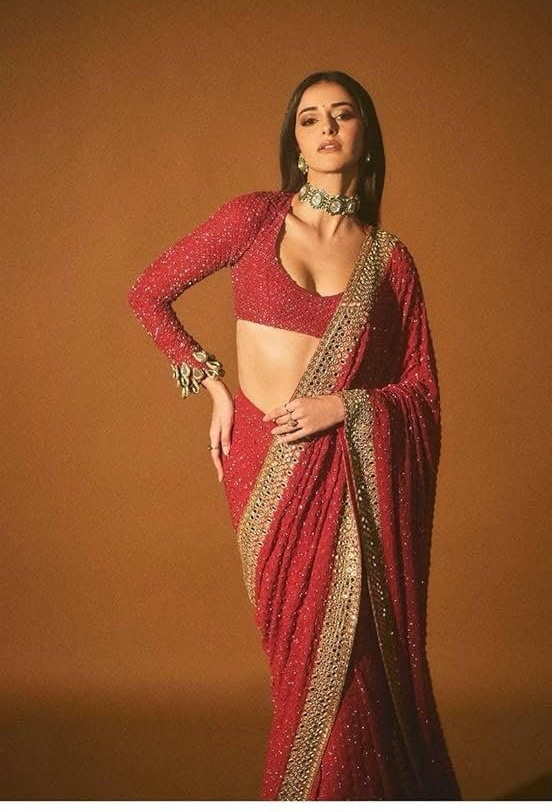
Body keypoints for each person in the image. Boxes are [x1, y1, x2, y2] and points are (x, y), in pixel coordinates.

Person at [127, 70, 463, 801]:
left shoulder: (389, 261)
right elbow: (148, 293)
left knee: (355, 670)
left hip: (346, 476)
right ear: (295, 141)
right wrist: (211, 383)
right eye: (310, 119)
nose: (327, 129)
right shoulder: (255, 219)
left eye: (343, 115)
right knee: (303, 667)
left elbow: (420, 392)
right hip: (265, 468)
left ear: (366, 136)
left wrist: (346, 406)